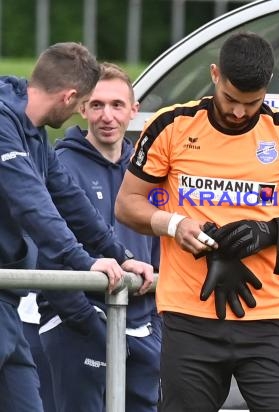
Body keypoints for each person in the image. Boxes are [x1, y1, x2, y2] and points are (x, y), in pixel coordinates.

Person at [114, 31, 279, 412]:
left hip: (268, 318)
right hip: (189, 317)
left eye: (251, 103)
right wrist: (174, 225)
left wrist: (276, 231)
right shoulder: (171, 126)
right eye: (230, 99)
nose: (239, 112)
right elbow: (127, 204)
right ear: (215, 75)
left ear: (267, 88)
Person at [0, 42, 154, 412]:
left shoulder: (33, 132)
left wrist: (121, 256)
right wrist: (84, 263)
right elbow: (33, 205)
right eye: (86, 103)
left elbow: (68, 200)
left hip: (7, 299)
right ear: (71, 97)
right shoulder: (4, 126)